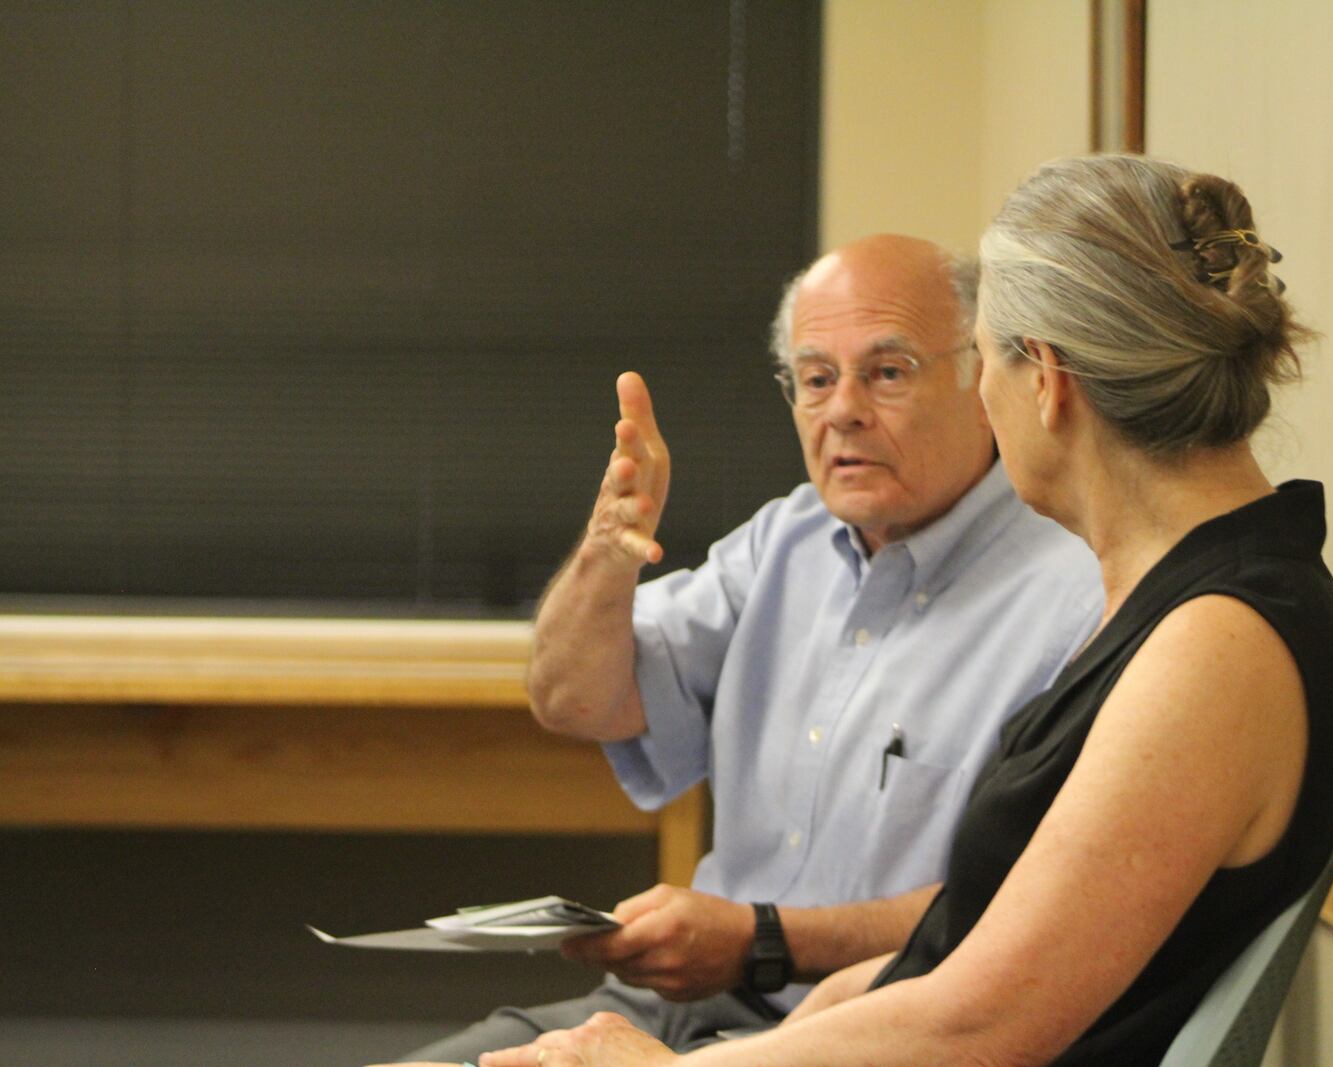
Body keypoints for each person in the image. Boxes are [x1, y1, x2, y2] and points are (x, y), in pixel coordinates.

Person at [451, 155, 1333, 1067]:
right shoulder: (1184, 602)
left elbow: (982, 1028)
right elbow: (958, 967)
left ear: (1046, 383)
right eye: (815, 378)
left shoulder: (1217, 642)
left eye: (976, 363)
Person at [391, 234, 1103, 1063]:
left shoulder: (1073, 591)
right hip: (668, 1005)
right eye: (816, 379)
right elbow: (573, 699)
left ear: (981, 378)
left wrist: (764, 936)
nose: (843, 410)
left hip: (863, 1037)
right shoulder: (788, 538)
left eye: (888, 371)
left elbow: (1032, 919)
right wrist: (607, 552)